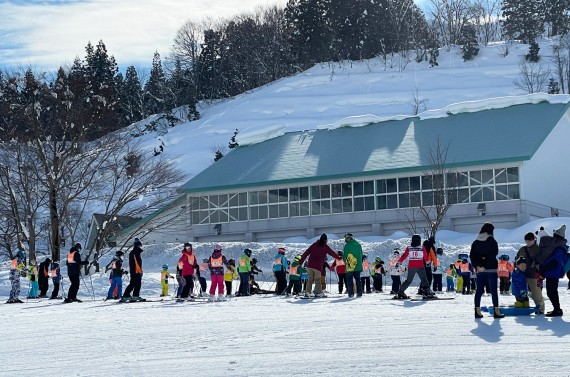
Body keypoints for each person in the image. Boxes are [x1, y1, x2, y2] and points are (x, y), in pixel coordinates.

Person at [470, 223, 504, 319]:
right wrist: (485, 265)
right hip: (491, 269)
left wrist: (478, 266)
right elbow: (493, 254)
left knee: (479, 291)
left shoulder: (476, 241)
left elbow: (472, 256)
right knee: (493, 291)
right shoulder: (491, 240)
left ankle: (477, 311)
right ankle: (496, 311)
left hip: (480, 271)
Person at [538, 225, 568, 317]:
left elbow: (553, 261)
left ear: (557, 237)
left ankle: (557, 310)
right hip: (553, 272)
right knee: (551, 291)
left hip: (553, 272)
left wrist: (544, 267)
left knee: (551, 291)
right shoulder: (559, 247)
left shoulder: (560, 248)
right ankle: (557, 309)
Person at [298, 233, 339, 298]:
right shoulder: (325, 247)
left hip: (310, 265)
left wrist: (300, 263)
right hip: (317, 266)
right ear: (325, 240)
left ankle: (307, 293)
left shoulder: (314, 245)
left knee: (310, 279)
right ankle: (318, 292)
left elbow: (306, 253)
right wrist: (339, 257)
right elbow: (332, 253)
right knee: (317, 280)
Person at [395, 235, 434, 299]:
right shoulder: (422, 247)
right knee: (424, 280)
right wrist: (427, 262)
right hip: (420, 266)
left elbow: (404, 255)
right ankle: (426, 292)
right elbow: (425, 256)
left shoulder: (409, 247)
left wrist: (399, 262)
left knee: (408, 280)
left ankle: (400, 292)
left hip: (411, 266)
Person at [515, 232, 545, 314]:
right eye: (526, 241)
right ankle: (524, 306)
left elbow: (542, 261)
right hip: (522, 274)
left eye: (529, 241)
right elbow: (516, 259)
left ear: (534, 240)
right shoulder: (522, 249)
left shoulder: (537, 249)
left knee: (536, 293)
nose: (528, 242)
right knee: (521, 292)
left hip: (533, 275)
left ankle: (540, 309)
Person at [121, 238, 145, 302]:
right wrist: (140, 271)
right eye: (140, 245)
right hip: (136, 271)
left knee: (133, 283)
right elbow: (137, 263)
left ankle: (127, 295)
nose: (140, 247)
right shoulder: (136, 252)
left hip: (133, 270)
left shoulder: (132, 252)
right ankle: (134, 295)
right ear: (138, 245)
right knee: (137, 284)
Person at [343, 233, 364, 298]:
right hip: (358, 265)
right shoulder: (358, 245)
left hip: (350, 266)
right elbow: (361, 254)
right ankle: (359, 293)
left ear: (348, 238)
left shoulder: (347, 246)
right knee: (358, 279)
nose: (345, 239)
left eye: (346, 238)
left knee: (349, 280)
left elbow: (345, 256)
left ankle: (351, 293)